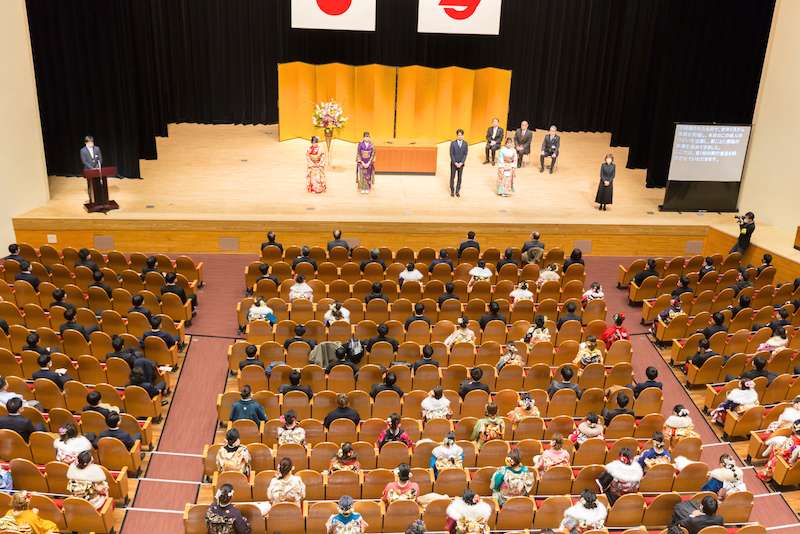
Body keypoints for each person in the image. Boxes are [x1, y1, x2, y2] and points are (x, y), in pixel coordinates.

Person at [80, 135, 102, 200]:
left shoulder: (97, 149)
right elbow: (84, 161)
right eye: (89, 143)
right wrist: (92, 168)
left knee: (98, 184)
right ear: (85, 143)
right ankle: (91, 199)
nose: (91, 144)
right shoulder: (83, 150)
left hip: (97, 170)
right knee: (90, 185)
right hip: (88, 170)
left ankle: (99, 198)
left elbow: (100, 159)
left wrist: (96, 167)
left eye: (92, 143)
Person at [449, 129, 468, 197]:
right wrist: (455, 162)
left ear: (463, 135)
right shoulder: (453, 143)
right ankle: (452, 190)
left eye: (461, 135)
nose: (460, 136)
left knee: (459, 178)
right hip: (454, 164)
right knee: (452, 177)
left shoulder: (465, 143)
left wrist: (461, 162)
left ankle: (457, 191)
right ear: (457, 135)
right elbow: (451, 153)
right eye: (459, 135)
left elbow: (465, 154)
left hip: (461, 164)